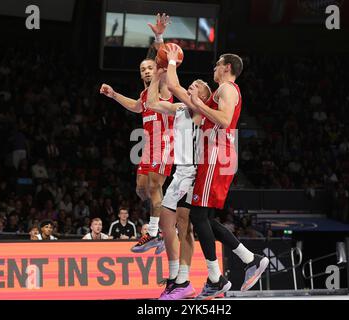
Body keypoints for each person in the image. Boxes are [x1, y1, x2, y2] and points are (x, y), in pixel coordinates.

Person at [184, 53, 269, 299]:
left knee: (198, 215)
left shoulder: (228, 88)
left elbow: (225, 119)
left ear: (227, 67)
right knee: (203, 217)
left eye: (217, 64)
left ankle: (216, 278)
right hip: (213, 156)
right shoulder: (220, 92)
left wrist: (198, 105)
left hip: (216, 155)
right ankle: (249, 259)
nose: (214, 67)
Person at [100, 13, 173, 253]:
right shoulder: (144, 96)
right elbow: (134, 106)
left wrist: (159, 36)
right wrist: (113, 94)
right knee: (141, 190)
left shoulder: (162, 87)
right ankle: (162, 217)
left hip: (164, 145)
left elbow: (162, 61)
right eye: (143, 69)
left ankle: (155, 233)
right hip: (147, 147)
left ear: (157, 70)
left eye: (150, 68)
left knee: (153, 188)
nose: (147, 71)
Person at [146, 52, 211, 299]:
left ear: (203, 97)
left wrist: (171, 60)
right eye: (191, 85)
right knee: (166, 223)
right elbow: (152, 103)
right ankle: (175, 278)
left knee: (185, 227)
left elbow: (174, 85)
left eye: (196, 87)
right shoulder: (181, 108)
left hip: (193, 173)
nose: (191, 87)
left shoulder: (199, 110)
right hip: (178, 172)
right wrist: (156, 79)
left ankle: (183, 281)